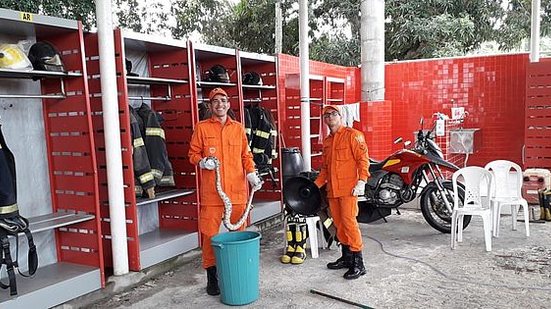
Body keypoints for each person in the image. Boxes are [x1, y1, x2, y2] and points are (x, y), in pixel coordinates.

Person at [188, 87, 263, 295]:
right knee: (209, 236)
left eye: (223, 100)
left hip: (237, 192)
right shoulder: (202, 128)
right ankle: (212, 278)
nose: (220, 104)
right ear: (210, 106)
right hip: (212, 194)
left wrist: (251, 173)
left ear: (229, 104)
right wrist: (202, 162)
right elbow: (192, 154)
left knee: (238, 235)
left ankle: (236, 272)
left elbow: (246, 156)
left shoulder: (238, 128)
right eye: (215, 101)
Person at [314, 105, 370, 280]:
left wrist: (362, 181)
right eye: (326, 115)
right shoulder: (328, 142)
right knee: (338, 224)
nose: (330, 117)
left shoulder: (353, 135)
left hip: (348, 190)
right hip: (333, 191)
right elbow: (325, 169)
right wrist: (314, 186)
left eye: (333, 114)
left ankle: (359, 264)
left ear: (340, 116)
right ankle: (347, 257)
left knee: (349, 223)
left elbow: (363, 160)